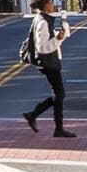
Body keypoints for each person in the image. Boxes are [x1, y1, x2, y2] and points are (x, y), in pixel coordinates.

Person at [21, 10, 69, 138]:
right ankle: (58, 128)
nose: (52, 4)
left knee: (58, 94)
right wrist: (57, 40)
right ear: (45, 5)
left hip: (50, 61)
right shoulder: (42, 22)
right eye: (50, 2)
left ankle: (33, 115)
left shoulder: (45, 19)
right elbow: (42, 47)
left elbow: (63, 36)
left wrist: (62, 28)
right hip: (48, 62)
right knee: (59, 94)